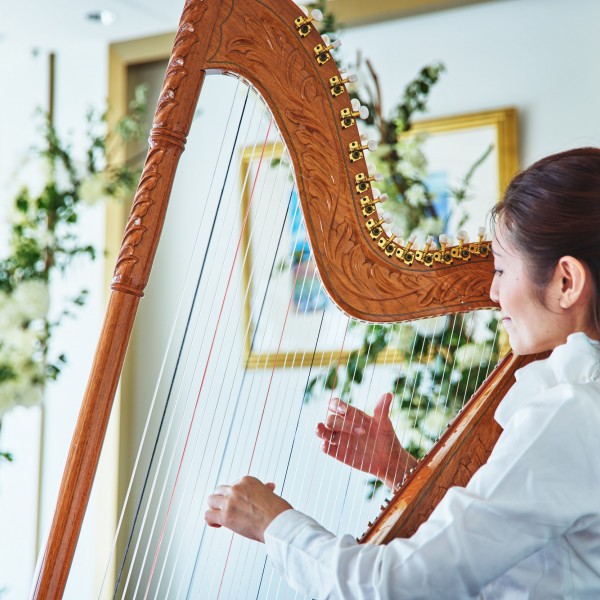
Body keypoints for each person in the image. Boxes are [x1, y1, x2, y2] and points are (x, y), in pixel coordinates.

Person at [205, 147, 600, 599]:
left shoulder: (571, 413)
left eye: (501, 269)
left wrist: (271, 522)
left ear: (566, 282)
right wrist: (400, 470)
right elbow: (534, 549)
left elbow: (396, 587)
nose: (492, 292)